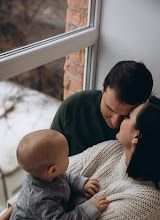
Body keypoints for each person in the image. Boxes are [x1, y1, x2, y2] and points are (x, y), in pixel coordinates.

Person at [67, 95, 160, 219]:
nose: (120, 121)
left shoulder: (147, 202)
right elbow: (46, 175)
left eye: (128, 116)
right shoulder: (112, 149)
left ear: (137, 137)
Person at [51, 60, 153, 156]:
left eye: (127, 115)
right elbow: (48, 155)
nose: (115, 122)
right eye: (110, 108)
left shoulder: (151, 127)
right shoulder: (73, 108)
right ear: (104, 85)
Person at [10, 129, 110, 220]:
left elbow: (63, 177)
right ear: (53, 170)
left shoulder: (42, 173)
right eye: (66, 156)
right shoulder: (42, 201)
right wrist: (88, 209)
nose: (68, 158)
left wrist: (80, 183)